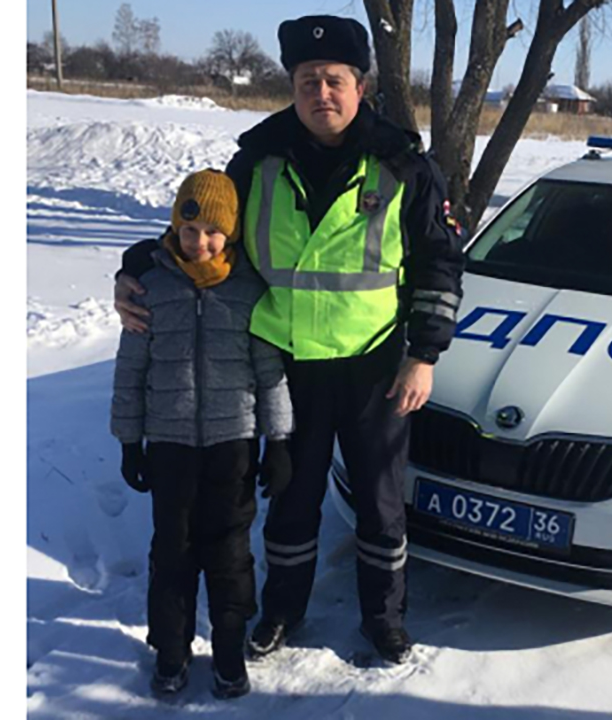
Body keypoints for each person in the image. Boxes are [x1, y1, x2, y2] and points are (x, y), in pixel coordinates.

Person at [113, 15, 465, 665]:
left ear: (360, 85)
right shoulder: (257, 162)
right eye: (308, 80)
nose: (320, 93)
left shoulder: (403, 166)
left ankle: (383, 619)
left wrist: (424, 354)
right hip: (281, 368)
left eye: (334, 80)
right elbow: (202, 235)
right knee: (289, 500)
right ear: (293, 86)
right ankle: (282, 609)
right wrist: (135, 267)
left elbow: (439, 265)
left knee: (381, 506)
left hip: (376, 368)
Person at [111, 169, 295, 698]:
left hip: (232, 446)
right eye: (190, 231)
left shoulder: (248, 291)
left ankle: (230, 650)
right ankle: (171, 650)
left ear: (231, 232)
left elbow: (269, 371)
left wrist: (278, 441)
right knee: (172, 551)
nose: (201, 243)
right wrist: (129, 441)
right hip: (168, 446)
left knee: (230, 554)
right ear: (175, 226)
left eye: (213, 232)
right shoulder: (152, 286)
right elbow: (131, 371)